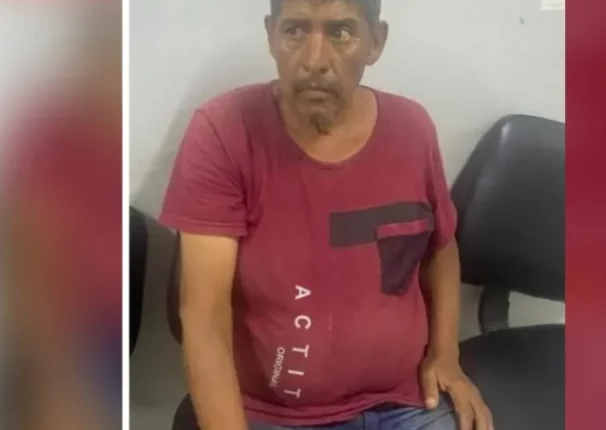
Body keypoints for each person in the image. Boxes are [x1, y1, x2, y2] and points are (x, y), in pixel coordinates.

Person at [160, 1, 493, 429]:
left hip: (407, 403)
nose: (315, 60)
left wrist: (446, 353)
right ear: (271, 36)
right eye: (295, 31)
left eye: (340, 33)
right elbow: (203, 318)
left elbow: (440, 249)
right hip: (275, 414)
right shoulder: (223, 132)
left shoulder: (413, 128)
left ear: (375, 42)